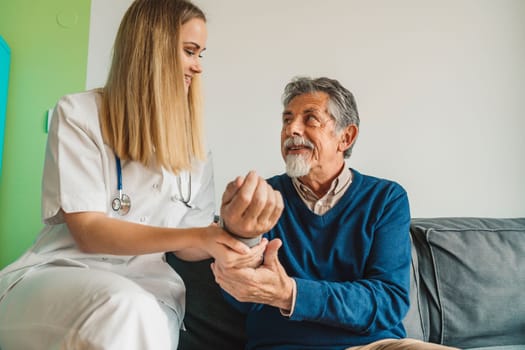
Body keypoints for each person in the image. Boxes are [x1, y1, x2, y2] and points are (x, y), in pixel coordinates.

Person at [0, 1, 281, 349]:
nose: (198, 66)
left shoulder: (195, 148)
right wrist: (200, 236)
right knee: (125, 311)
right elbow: (89, 232)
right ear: (153, 47)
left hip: (151, 291)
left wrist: (230, 233)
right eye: (190, 51)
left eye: (201, 54)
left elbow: (189, 245)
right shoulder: (79, 114)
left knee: (139, 313)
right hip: (64, 273)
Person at [211, 76, 459, 350]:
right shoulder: (262, 198)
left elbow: (388, 301)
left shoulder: (385, 198)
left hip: (376, 346)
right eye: (287, 120)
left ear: (346, 137)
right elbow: (242, 299)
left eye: (310, 119)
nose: (292, 129)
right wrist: (238, 236)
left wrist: (291, 293)